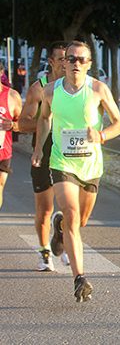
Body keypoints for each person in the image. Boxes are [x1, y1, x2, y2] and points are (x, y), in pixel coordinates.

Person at [32, 40, 120, 302]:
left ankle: (59, 227)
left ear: (89, 64)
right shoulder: (50, 91)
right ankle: (79, 278)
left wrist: (102, 135)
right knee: (73, 215)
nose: (75, 64)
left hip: (90, 164)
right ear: (63, 63)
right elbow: (44, 118)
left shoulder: (98, 89)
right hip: (62, 162)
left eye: (81, 59)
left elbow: (119, 124)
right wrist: (39, 148)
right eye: (70, 59)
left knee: (80, 221)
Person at [18, 41, 68, 272]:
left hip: (71, 155)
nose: (67, 63)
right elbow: (23, 123)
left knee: (72, 208)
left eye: (70, 59)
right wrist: (45, 120)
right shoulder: (39, 88)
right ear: (51, 62)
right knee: (45, 209)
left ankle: (63, 239)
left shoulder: (77, 88)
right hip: (45, 153)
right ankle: (44, 252)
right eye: (61, 59)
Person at [0, 65, 22, 209]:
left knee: (0, 184)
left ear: (1, 73)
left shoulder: (12, 96)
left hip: (3, 151)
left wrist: (14, 125)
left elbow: (24, 123)